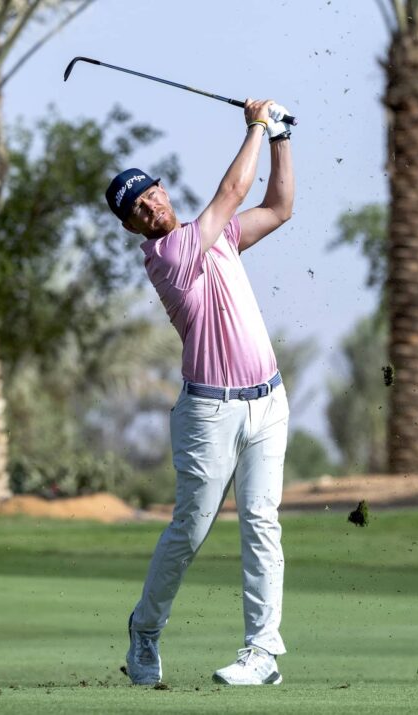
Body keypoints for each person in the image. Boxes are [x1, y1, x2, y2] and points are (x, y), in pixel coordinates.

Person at [107, 99, 294, 686]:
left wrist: (284, 138)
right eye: (137, 208)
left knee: (262, 521)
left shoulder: (217, 238)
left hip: (268, 402)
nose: (150, 205)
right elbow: (234, 192)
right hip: (208, 412)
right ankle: (145, 630)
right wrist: (258, 126)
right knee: (190, 528)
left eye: (151, 192)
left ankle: (262, 653)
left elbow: (280, 208)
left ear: (163, 189)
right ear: (133, 226)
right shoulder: (167, 256)